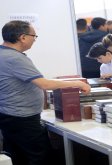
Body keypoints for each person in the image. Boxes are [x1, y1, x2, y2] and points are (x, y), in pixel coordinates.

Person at [0, 20, 91, 165]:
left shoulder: (4, 53)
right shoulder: (14, 58)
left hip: (11, 115)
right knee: (38, 158)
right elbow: (44, 84)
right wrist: (78, 83)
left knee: (18, 156)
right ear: (22, 37)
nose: (34, 40)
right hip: (22, 119)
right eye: (34, 36)